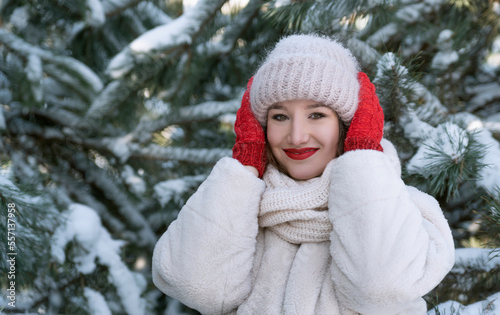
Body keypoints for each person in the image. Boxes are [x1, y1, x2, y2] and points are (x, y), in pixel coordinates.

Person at [152, 34, 455, 314]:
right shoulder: (237, 210)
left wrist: (363, 154)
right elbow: (196, 286)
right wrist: (245, 165)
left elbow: (380, 290)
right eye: (280, 117)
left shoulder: (406, 213)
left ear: (347, 125)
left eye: (317, 115)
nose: (296, 136)